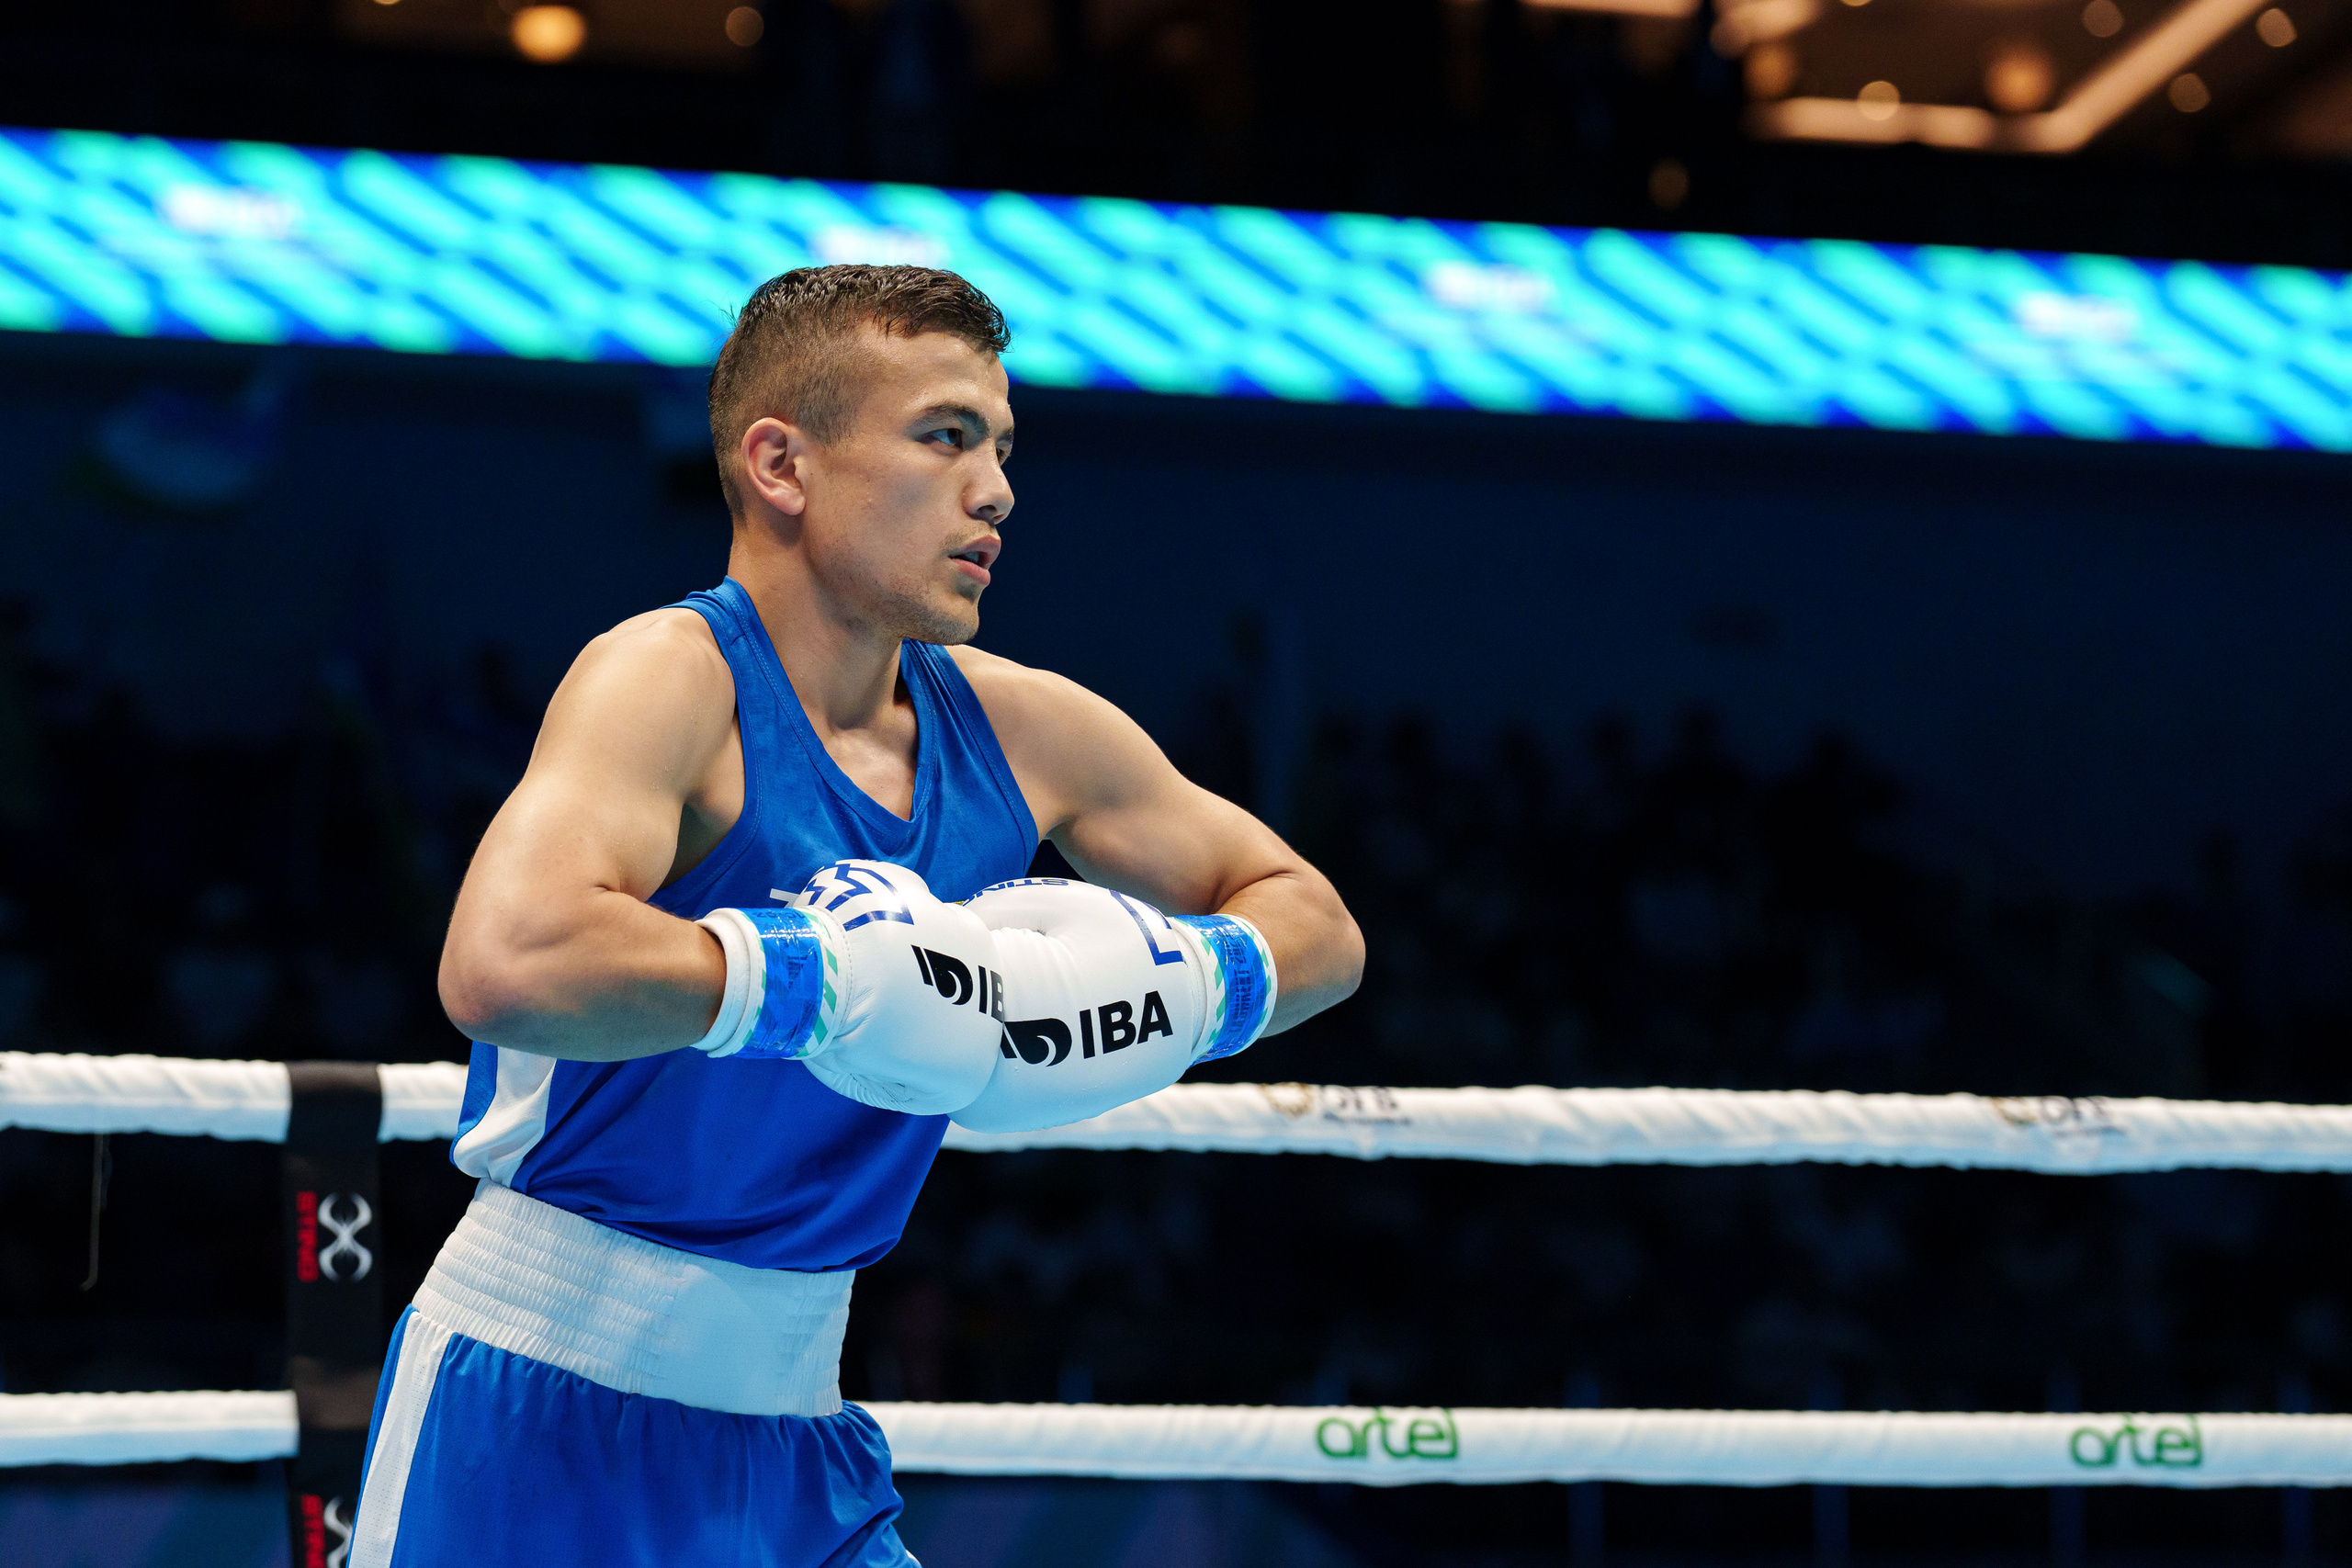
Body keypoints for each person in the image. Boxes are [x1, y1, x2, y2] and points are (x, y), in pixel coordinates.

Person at [348, 265, 1363, 1568]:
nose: (994, 490)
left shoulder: (1021, 725)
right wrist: (814, 981)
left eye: (1001, 448)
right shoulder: (668, 679)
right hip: (541, 1415)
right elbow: (509, 961)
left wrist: (1165, 989)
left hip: (798, 1430)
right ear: (783, 464)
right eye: (945, 438)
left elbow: (1317, 928)